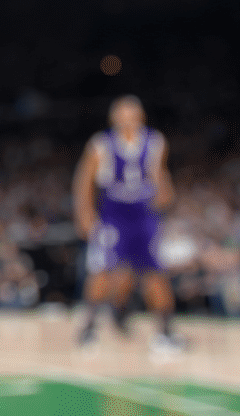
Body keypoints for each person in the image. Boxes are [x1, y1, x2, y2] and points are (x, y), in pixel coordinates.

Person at [74, 95, 184, 352]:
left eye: (132, 115)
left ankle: (165, 332)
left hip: (144, 212)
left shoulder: (155, 142)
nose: (128, 120)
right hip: (114, 212)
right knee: (103, 270)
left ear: (141, 117)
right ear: (114, 118)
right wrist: (84, 212)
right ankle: (88, 327)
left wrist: (166, 193)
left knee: (155, 272)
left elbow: (159, 175)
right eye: (123, 115)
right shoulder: (101, 144)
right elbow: (84, 180)